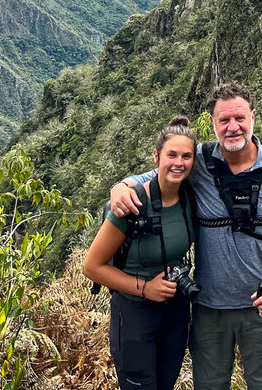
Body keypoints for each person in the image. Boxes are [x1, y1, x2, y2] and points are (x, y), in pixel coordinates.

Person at [110, 82, 262, 390]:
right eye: (224, 121)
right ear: (213, 123)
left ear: (253, 117)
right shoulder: (199, 161)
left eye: (239, 118)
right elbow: (158, 173)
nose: (233, 128)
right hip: (209, 309)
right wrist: (121, 186)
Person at [84, 116, 199, 390]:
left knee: (165, 384)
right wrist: (146, 288)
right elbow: (92, 267)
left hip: (176, 311)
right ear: (157, 156)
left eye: (186, 156)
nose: (178, 163)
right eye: (171, 154)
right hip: (135, 313)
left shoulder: (191, 197)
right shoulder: (132, 204)